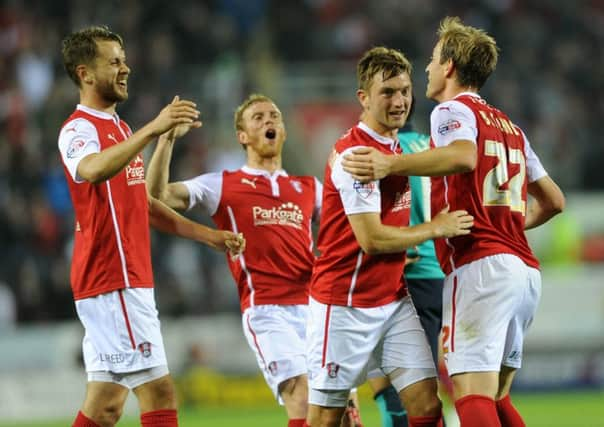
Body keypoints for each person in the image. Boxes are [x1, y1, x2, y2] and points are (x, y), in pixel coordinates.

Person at [341, 17, 565, 427]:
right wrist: (508, 224)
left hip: (481, 267)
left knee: (469, 394)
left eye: (431, 58)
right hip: (522, 270)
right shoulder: (509, 126)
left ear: (448, 66)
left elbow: (463, 157)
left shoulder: (451, 110)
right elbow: (554, 200)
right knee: (497, 397)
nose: (426, 67)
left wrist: (389, 163)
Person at [58, 26, 244, 427]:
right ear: (85, 73)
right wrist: (154, 129)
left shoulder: (121, 130)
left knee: (105, 405)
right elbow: (91, 170)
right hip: (113, 278)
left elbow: (143, 205)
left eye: (124, 60)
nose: (125, 68)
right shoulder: (79, 129)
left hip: (123, 279)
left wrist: (208, 235)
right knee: (159, 392)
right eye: (114, 62)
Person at [306, 46, 474, 427]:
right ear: (363, 98)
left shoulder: (395, 148)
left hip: (392, 299)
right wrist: (436, 228)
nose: (399, 101)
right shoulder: (357, 155)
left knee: (427, 406)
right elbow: (372, 240)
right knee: (325, 418)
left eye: (404, 91)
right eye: (387, 93)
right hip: (344, 303)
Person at [147, 93, 334, 427]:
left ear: (284, 130)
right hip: (268, 310)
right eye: (258, 118)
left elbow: (345, 231)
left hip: (318, 307)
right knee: (303, 398)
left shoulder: (308, 187)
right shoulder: (223, 184)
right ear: (242, 136)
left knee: (340, 407)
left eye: (274, 115)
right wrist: (166, 141)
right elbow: (157, 195)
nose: (268, 121)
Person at [367, 118, 450, 427]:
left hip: (402, 271)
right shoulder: (436, 146)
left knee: (398, 392)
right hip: (438, 274)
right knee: (420, 387)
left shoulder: (386, 153)